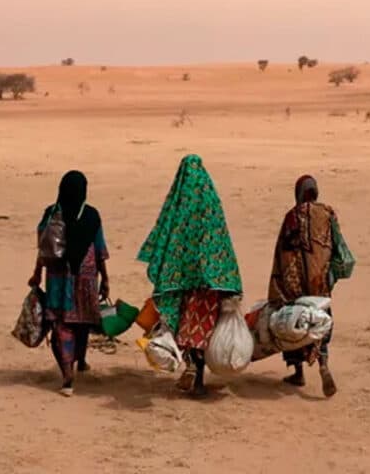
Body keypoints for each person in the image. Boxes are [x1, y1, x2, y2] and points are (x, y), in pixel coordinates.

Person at [138, 154, 243, 398]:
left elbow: (167, 236)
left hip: (185, 282)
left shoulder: (179, 204)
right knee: (206, 328)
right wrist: (226, 277)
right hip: (211, 284)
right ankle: (198, 376)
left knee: (188, 327)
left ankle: (192, 369)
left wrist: (171, 273)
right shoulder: (210, 201)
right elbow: (221, 240)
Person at [268, 175, 355, 398]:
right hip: (320, 281)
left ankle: (298, 373)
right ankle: (323, 364)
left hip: (295, 283)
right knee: (320, 321)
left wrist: (279, 286)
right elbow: (338, 245)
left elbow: (282, 254)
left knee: (295, 323)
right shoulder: (327, 213)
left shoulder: (291, 217)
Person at [29, 171, 110, 397]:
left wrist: (36, 273)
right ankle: (81, 360)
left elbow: (43, 248)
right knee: (83, 321)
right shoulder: (92, 216)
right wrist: (105, 279)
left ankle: (67, 376)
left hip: (57, 277)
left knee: (61, 325)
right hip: (85, 278)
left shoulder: (51, 214)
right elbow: (100, 250)